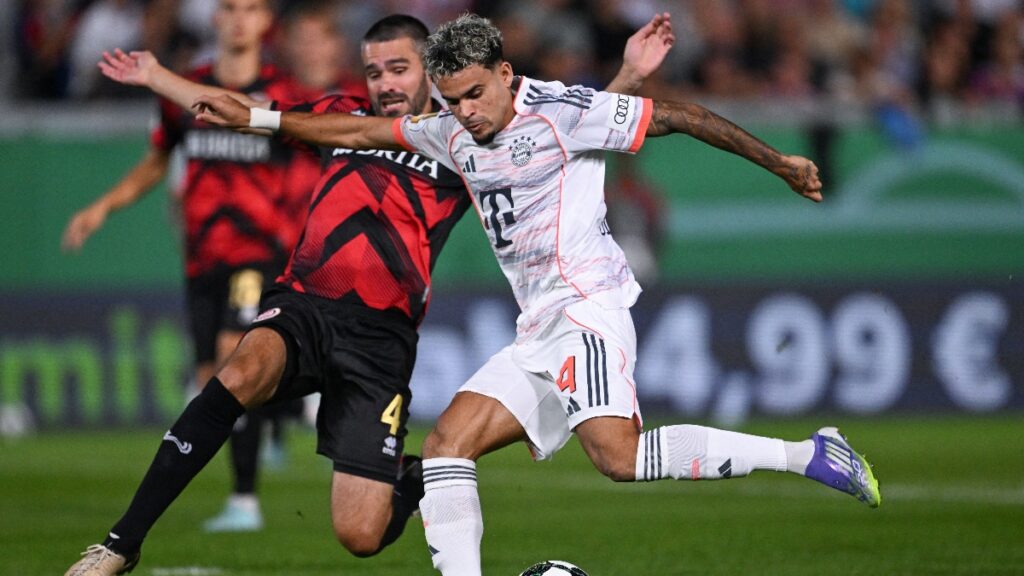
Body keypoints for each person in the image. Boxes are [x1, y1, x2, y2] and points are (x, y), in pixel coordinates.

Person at [193, 13, 881, 576]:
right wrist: (261, 121)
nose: (465, 113)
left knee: (617, 457)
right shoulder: (451, 130)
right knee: (444, 450)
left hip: (585, 308)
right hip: (538, 329)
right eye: (452, 99)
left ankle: (808, 453)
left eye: (475, 95)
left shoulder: (556, 108)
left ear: (504, 74)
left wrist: (781, 162)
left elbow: (679, 116)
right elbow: (355, 129)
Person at [64, 12, 676, 576]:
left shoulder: (462, 139)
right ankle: (120, 545)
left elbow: (566, 131)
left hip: (381, 339)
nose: (383, 82)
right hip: (305, 302)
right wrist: (155, 76)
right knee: (241, 370)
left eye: (399, 68)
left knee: (360, 533)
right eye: (374, 70)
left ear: (429, 74)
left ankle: (417, 476)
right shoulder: (337, 115)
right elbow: (240, 110)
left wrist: (626, 76)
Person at [61, 0, 316, 535]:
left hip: (259, 254)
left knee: (232, 363)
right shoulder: (187, 91)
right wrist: (102, 206)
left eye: (251, 9)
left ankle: (246, 501)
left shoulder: (283, 94)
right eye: (230, 8)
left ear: (267, 22)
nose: (240, 18)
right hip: (201, 257)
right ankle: (278, 422)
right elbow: (159, 158)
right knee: (210, 382)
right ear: (215, 19)